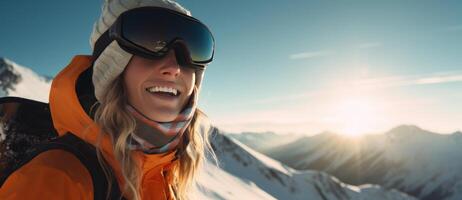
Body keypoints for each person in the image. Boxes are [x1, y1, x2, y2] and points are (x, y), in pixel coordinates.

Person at [0, 0, 216, 199]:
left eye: (191, 49)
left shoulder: (164, 170)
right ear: (111, 65)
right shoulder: (54, 180)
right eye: (150, 43)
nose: (174, 68)